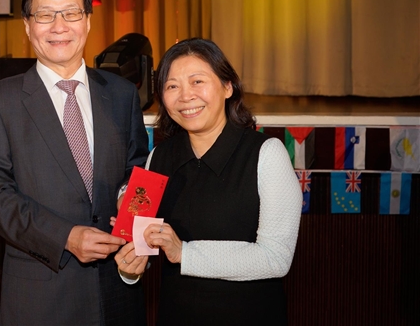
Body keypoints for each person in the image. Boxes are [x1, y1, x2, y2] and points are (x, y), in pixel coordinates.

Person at [0, 0, 148, 326]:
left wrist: (132, 214)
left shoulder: (122, 94)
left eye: (71, 13)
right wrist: (65, 237)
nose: (59, 25)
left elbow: (137, 171)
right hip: (43, 297)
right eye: (45, 15)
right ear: (27, 26)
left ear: (88, 21)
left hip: (119, 290)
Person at [114, 38, 302, 326]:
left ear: (227, 87)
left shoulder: (266, 154)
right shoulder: (159, 158)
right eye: (172, 86)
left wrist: (184, 253)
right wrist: (130, 269)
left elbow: (276, 258)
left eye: (197, 81)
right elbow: (144, 251)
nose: (185, 96)